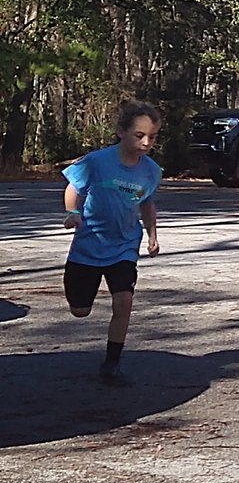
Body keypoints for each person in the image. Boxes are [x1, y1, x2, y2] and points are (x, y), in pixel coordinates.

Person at [61, 101, 162, 386]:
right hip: (88, 245)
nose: (145, 142)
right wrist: (73, 213)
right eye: (139, 135)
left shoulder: (151, 171)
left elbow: (147, 204)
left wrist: (153, 235)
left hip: (124, 246)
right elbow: (73, 189)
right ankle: (80, 297)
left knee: (124, 301)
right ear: (121, 132)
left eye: (152, 137)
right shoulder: (96, 161)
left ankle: (112, 363)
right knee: (80, 310)